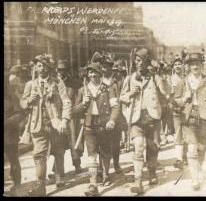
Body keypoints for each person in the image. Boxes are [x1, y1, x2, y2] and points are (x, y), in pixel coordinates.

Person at [120, 48, 171, 194]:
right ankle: (138, 180)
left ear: (146, 62)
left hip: (153, 117)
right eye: (136, 61)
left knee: (153, 147)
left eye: (141, 60)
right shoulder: (129, 79)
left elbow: (166, 91)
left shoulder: (154, 77)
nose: (138, 63)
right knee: (138, 146)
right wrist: (131, 93)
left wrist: (159, 75)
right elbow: (121, 98)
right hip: (136, 118)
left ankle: (152, 173)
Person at [20, 55, 71, 196]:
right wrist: (30, 100)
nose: (42, 69)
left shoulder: (57, 83)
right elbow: (22, 104)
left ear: (49, 68)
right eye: (39, 66)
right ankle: (40, 185)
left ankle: (59, 175)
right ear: (35, 67)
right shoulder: (30, 84)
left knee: (58, 151)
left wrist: (64, 120)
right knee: (39, 155)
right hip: (38, 124)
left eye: (45, 66)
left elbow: (66, 102)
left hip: (55, 123)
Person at [73, 62, 120, 196]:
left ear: (100, 74)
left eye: (95, 72)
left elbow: (115, 106)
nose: (92, 75)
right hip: (89, 126)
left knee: (105, 152)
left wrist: (112, 120)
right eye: (90, 73)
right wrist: (84, 103)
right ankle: (93, 184)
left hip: (105, 126)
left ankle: (105, 174)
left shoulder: (108, 88)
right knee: (92, 155)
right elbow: (74, 111)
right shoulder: (83, 90)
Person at [174, 53, 206, 190]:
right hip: (188, 119)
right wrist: (184, 99)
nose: (195, 66)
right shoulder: (183, 82)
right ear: (188, 66)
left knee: (202, 148)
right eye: (192, 64)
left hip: (204, 118)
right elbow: (175, 102)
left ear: (202, 65)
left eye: (198, 64)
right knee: (192, 147)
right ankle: (194, 178)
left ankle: (199, 169)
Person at [57, 60, 83, 174]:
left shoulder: (75, 84)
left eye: (64, 70)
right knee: (58, 143)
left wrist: (73, 111)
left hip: (72, 117)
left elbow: (80, 101)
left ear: (68, 71)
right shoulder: (55, 83)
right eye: (60, 70)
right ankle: (58, 169)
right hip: (58, 116)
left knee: (73, 141)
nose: (61, 73)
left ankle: (77, 164)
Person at [4, 76, 23, 193]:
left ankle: (17, 182)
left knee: (13, 158)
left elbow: (20, 114)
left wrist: (7, 122)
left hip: (9, 134)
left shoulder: (12, 98)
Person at [170, 57, 188, 169]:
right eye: (175, 64)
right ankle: (179, 158)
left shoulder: (186, 79)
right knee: (177, 133)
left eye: (179, 64)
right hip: (175, 109)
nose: (178, 66)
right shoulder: (170, 79)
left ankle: (185, 156)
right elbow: (168, 95)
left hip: (186, 109)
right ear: (173, 67)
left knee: (186, 132)